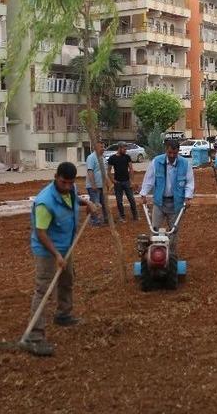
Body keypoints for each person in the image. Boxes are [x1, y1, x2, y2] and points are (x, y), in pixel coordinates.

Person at [23, 162, 98, 356]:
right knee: (44, 290)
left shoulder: (70, 188)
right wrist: (56, 255)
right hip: (48, 251)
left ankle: (64, 314)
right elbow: (40, 232)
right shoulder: (45, 202)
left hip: (66, 246)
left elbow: (73, 198)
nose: (66, 186)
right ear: (56, 177)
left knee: (67, 281)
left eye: (70, 183)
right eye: (63, 182)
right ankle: (34, 336)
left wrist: (87, 203)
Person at [139, 139, 194, 259]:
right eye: (170, 153)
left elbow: (189, 182)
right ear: (166, 150)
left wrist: (188, 197)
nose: (172, 156)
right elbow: (149, 179)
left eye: (175, 153)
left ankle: (172, 256)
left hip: (176, 203)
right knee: (154, 230)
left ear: (178, 151)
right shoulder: (157, 161)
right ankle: (152, 255)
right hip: (159, 202)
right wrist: (143, 194)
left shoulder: (185, 164)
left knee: (173, 232)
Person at [106, 142, 139, 223]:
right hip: (118, 183)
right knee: (119, 201)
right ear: (119, 148)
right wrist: (113, 181)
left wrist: (132, 181)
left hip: (127, 181)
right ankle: (122, 217)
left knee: (131, 199)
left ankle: (135, 216)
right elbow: (108, 171)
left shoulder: (127, 157)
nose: (125, 150)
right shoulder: (112, 158)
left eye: (126, 149)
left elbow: (131, 169)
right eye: (124, 149)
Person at [84, 142, 108, 227]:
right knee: (95, 204)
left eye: (103, 146)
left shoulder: (103, 158)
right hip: (94, 186)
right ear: (96, 148)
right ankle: (95, 221)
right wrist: (93, 185)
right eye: (101, 147)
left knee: (104, 203)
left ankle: (106, 219)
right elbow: (90, 171)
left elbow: (105, 172)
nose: (103, 148)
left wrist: (107, 183)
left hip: (102, 186)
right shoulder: (91, 157)